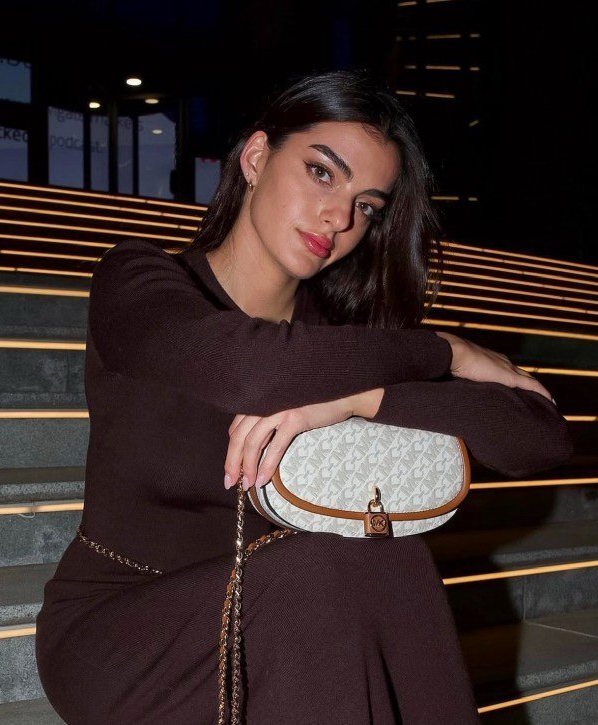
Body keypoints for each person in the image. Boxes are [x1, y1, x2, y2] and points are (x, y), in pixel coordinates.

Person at [35, 69, 573, 724]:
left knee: (382, 555)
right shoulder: (141, 285)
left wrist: (361, 400)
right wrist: (447, 351)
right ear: (256, 157)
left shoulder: (345, 349)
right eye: (322, 173)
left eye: (367, 206)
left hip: (297, 628)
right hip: (124, 632)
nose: (340, 218)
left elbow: (540, 437)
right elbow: (250, 370)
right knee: (322, 571)